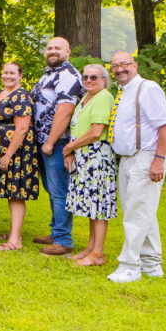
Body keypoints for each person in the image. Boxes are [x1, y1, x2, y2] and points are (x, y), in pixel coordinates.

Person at [106, 51, 166, 283]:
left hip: (145, 156)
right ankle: (152, 264)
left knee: (136, 213)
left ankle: (130, 266)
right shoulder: (124, 92)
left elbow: (165, 125)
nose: (119, 69)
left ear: (134, 65)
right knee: (142, 211)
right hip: (128, 158)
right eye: (115, 66)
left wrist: (158, 159)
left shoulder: (148, 88)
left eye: (124, 64)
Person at [30, 36, 82, 256]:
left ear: (68, 51)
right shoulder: (49, 75)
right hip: (44, 141)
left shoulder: (69, 76)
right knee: (52, 190)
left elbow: (65, 110)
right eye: (49, 47)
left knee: (59, 191)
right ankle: (55, 232)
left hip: (57, 142)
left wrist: (51, 141)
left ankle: (63, 240)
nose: (52, 51)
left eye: (57, 48)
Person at [62, 64, 116, 267]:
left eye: (94, 77)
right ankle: (91, 248)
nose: (89, 80)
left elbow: (96, 131)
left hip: (97, 156)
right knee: (90, 204)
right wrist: (73, 150)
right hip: (83, 155)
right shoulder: (86, 98)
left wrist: (70, 147)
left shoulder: (103, 97)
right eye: (85, 77)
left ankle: (98, 254)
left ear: (104, 79)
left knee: (99, 205)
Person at [0, 62, 39, 251]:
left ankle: (15, 240)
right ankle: (12, 232)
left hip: (17, 151)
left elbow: (23, 128)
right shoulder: (2, 92)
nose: (8, 75)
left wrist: (8, 154)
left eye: (12, 73)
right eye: (5, 72)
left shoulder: (21, 96)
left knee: (16, 193)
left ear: (20, 76)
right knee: (10, 192)